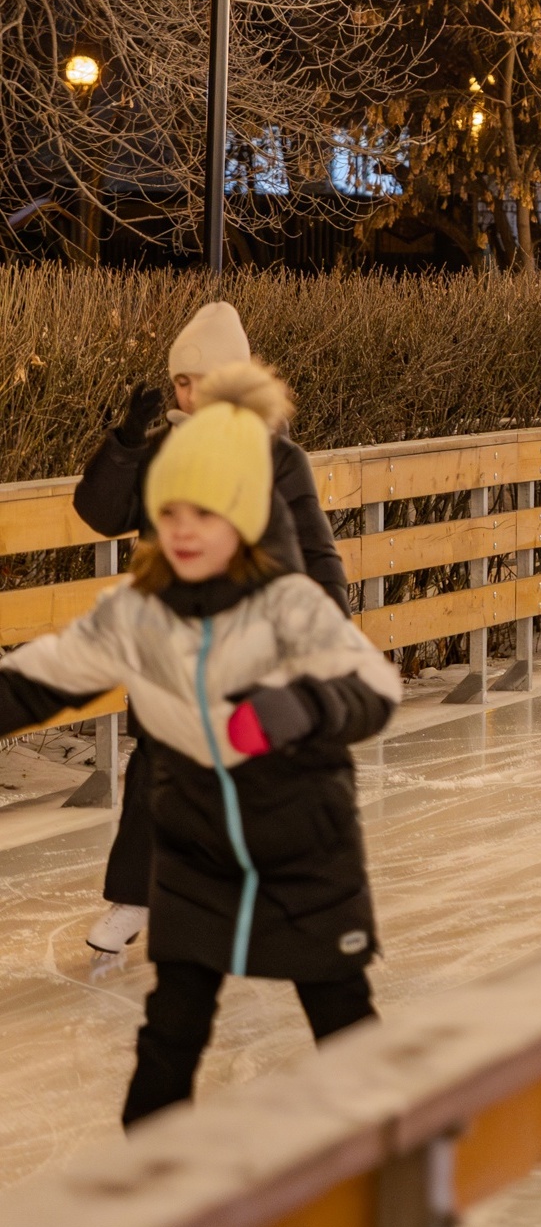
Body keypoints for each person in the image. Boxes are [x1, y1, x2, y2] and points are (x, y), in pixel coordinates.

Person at [0, 363, 399, 1125]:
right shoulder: (139, 613)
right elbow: (35, 679)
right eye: (171, 509)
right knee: (168, 1041)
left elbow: (373, 687)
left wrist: (297, 707)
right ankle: (155, 1193)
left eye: (206, 512)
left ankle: (407, 1182)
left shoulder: (287, 607)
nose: (182, 529)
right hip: (194, 855)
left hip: (302, 853)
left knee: (345, 1025)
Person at [73, 301, 350, 959]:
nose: (186, 393)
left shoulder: (278, 458)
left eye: (197, 379)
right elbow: (100, 513)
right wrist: (122, 446)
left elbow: (317, 553)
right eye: (180, 382)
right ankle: (134, 898)